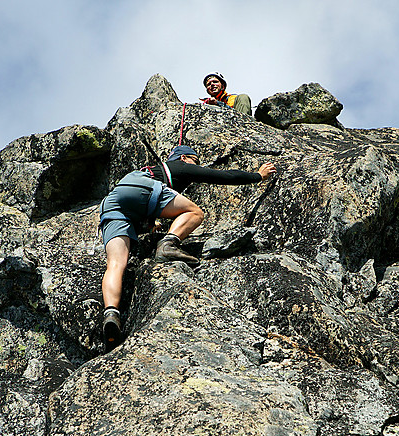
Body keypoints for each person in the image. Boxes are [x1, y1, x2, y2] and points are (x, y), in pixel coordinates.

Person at [99, 144, 276, 349]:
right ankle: (168, 244)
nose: (197, 166)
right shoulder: (179, 167)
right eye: (195, 161)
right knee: (195, 212)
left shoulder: (148, 171)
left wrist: (149, 223)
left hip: (112, 202)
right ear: (184, 158)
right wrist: (257, 176)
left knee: (115, 264)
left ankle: (111, 313)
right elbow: (220, 176)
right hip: (142, 189)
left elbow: (131, 205)